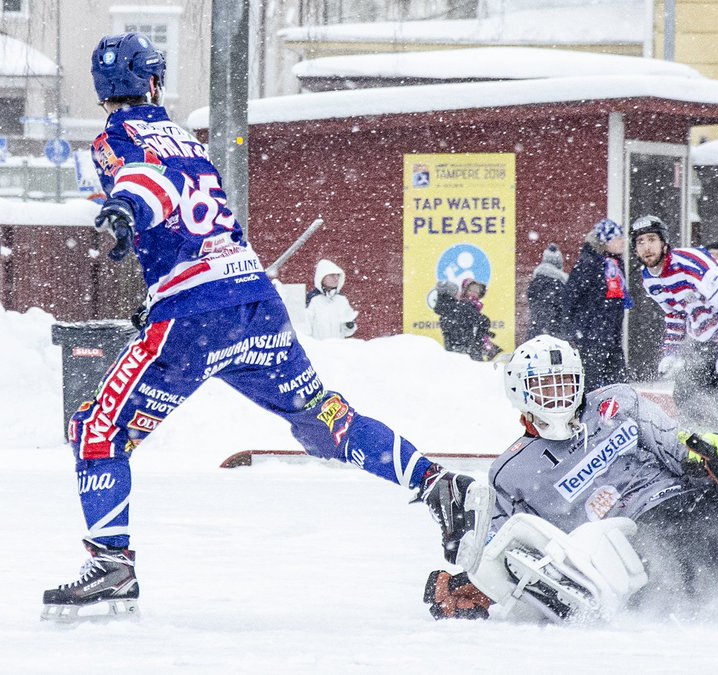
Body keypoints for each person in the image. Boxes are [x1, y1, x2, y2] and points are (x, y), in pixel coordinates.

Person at [44, 32, 466, 621]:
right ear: (154, 82)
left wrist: (122, 209)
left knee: (98, 431)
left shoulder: (117, 137)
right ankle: (434, 483)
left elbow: (148, 183)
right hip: (254, 302)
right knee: (324, 420)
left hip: (195, 319)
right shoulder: (186, 139)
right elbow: (197, 214)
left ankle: (112, 563)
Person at [423, 335, 718, 620]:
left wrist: (708, 454)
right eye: (546, 386)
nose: (559, 396)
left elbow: (673, 441)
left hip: (684, 500)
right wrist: (476, 583)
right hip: (628, 547)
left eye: (566, 383)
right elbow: (504, 546)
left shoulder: (617, 401)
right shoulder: (510, 473)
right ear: (519, 391)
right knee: (675, 576)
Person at [632, 215, 718, 434]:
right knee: (685, 392)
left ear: (664, 243)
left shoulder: (691, 264)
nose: (646, 247)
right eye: (640, 242)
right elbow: (675, 315)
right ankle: (701, 439)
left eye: (652, 239)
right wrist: (670, 353)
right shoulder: (649, 279)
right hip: (705, 331)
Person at [561, 218, 631, 389]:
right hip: (590, 337)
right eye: (617, 238)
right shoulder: (588, 263)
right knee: (590, 386)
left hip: (612, 337)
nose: (623, 242)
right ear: (605, 241)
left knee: (619, 385)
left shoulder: (616, 264)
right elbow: (570, 298)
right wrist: (574, 331)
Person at [304, 258, 358, 339]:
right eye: (332, 275)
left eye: (337, 275)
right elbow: (305, 329)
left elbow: (347, 332)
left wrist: (349, 326)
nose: (336, 278)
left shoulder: (342, 300)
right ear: (322, 278)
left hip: (337, 346)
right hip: (318, 346)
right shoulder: (312, 300)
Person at [525, 243, 568, 341]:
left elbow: (536, 307)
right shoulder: (558, 284)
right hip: (553, 335)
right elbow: (555, 312)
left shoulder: (536, 281)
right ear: (559, 263)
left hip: (536, 332)